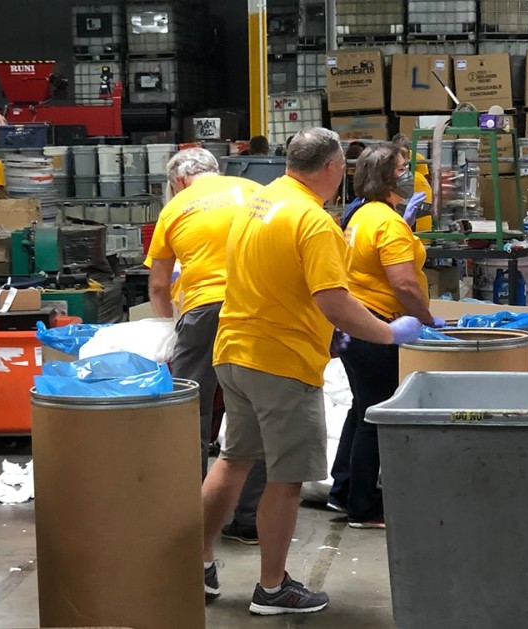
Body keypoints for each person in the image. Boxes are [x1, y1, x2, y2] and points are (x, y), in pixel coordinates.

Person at [202, 127, 423, 614]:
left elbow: (278, 279)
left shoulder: (258, 204)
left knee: (233, 459)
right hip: (281, 362)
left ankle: (195, 565)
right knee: (286, 478)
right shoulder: (313, 220)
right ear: (331, 167)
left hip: (235, 351)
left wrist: (328, 331)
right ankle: (272, 587)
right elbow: (335, 301)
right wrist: (389, 333)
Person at [144, 147, 268, 545]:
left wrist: (170, 327)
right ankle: (249, 519)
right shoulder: (255, 191)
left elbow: (159, 286)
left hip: (204, 312)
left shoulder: (175, 208)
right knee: (256, 411)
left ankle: (189, 515)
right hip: (258, 308)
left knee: (190, 413)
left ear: (180, 180)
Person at [328, 144, 443, 529]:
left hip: (354, 324)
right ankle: (363, 506)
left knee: (361, 407)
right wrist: (427, 319)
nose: (411, 174)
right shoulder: (387, 223)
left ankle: (343, 489)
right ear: (386, 177)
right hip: (379, 326)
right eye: (403, 168)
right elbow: (404, 284)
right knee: (375, 415)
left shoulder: (362, 214)